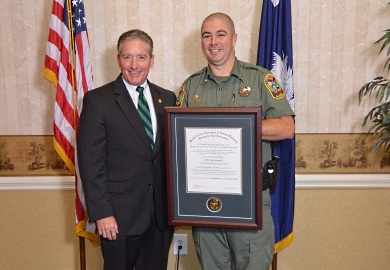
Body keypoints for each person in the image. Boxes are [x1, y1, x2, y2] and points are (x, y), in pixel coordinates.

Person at [176, 13, 295, 270]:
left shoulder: (261, 80)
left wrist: (239, 128)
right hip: (204, 202)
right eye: (206, 35)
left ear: (234, 39)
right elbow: (178, 140)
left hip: (249, 201)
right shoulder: (191, 87)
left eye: (221, 34)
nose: (213, 41)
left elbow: (287, 128)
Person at [77, 29, 176, 270]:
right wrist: (101, 214)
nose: (134, 65)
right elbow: (90, 164)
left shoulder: (168, 99)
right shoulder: (98, 101)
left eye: (141, 57)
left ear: (152, 60)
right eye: (127, 57)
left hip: (160, 218)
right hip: (117, 219)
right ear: (118, 58)